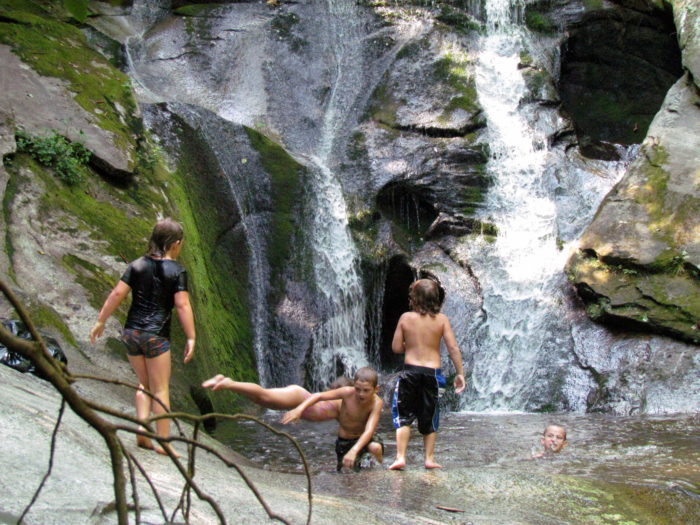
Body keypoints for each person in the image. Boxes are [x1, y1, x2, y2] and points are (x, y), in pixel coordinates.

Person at [90, 218, 195, 456]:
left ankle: (141, 428)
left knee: (144, 384)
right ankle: (164, 441)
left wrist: (101, 320)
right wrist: (191, 337)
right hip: (156, 336)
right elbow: (182, 306)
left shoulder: (137, 265)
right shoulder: (177, 271)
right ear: (176, 244)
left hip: (131, 333)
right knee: (160, 389)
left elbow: (117, 293)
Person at [388, 278, 466, 470]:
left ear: (413, 299)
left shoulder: (405, 318)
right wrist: (460, 373)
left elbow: (396, 347)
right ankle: (429, 459)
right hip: (433, 374)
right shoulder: (442, 320)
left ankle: (400, 457)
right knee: (430, 414)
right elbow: (453, 348)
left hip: (410, 372)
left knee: (404, 414)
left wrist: (412, 345)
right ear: (437, 298)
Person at [282, 366, 384, 472]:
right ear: (354, 385)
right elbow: (319, 396)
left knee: (375, 447)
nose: (361, 394)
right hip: (345, 441)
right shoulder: (347, 393)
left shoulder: (376, 403)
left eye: (366, 390)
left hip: (365, 439)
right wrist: (299, 409)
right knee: (347, 472)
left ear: (376, 389)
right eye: (357, 389)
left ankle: (379, 470)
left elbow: (369, 430)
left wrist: (354, 450)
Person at [201, 375, 352, 422]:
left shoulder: (341, 408)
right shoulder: (343, 400)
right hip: (299, 397)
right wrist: (299, 410)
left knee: (261, 399)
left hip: (299, 396)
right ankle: (229, 383)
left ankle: (230, 384)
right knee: (264, 396)